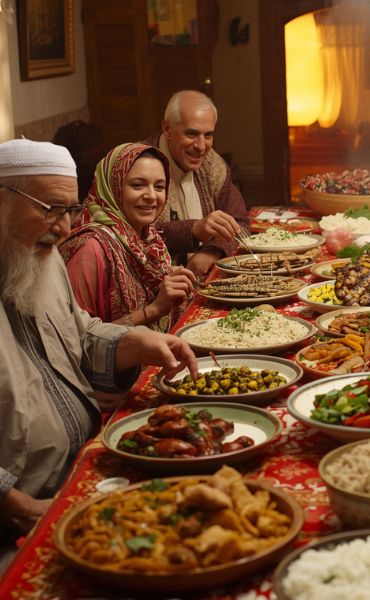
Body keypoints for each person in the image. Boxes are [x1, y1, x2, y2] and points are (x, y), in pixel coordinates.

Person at [0, 139, 197, 568]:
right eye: (50, 208)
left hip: (85, 464)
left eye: (71, 210)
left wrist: (134, 342)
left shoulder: (44, 256)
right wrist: (11, 503)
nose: (65, 227)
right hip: (23, 510)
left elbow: (79, 331)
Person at [60, 143, 195, 331]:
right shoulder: (90, 248)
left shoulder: (148, 237)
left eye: (159, 186)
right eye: (137, 185)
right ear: (114, 188)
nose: (151, 196)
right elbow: (79, 338)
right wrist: (154, 309)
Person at [145, 90, 249, 277]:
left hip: (199, 286)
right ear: (167, 130)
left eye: (208, 135)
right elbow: (132, 237)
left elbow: (240, 222)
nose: (201, 146)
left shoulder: (212, 164)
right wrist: (193, 230)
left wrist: (213, 251)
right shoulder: (139, 167)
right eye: (192, 134)